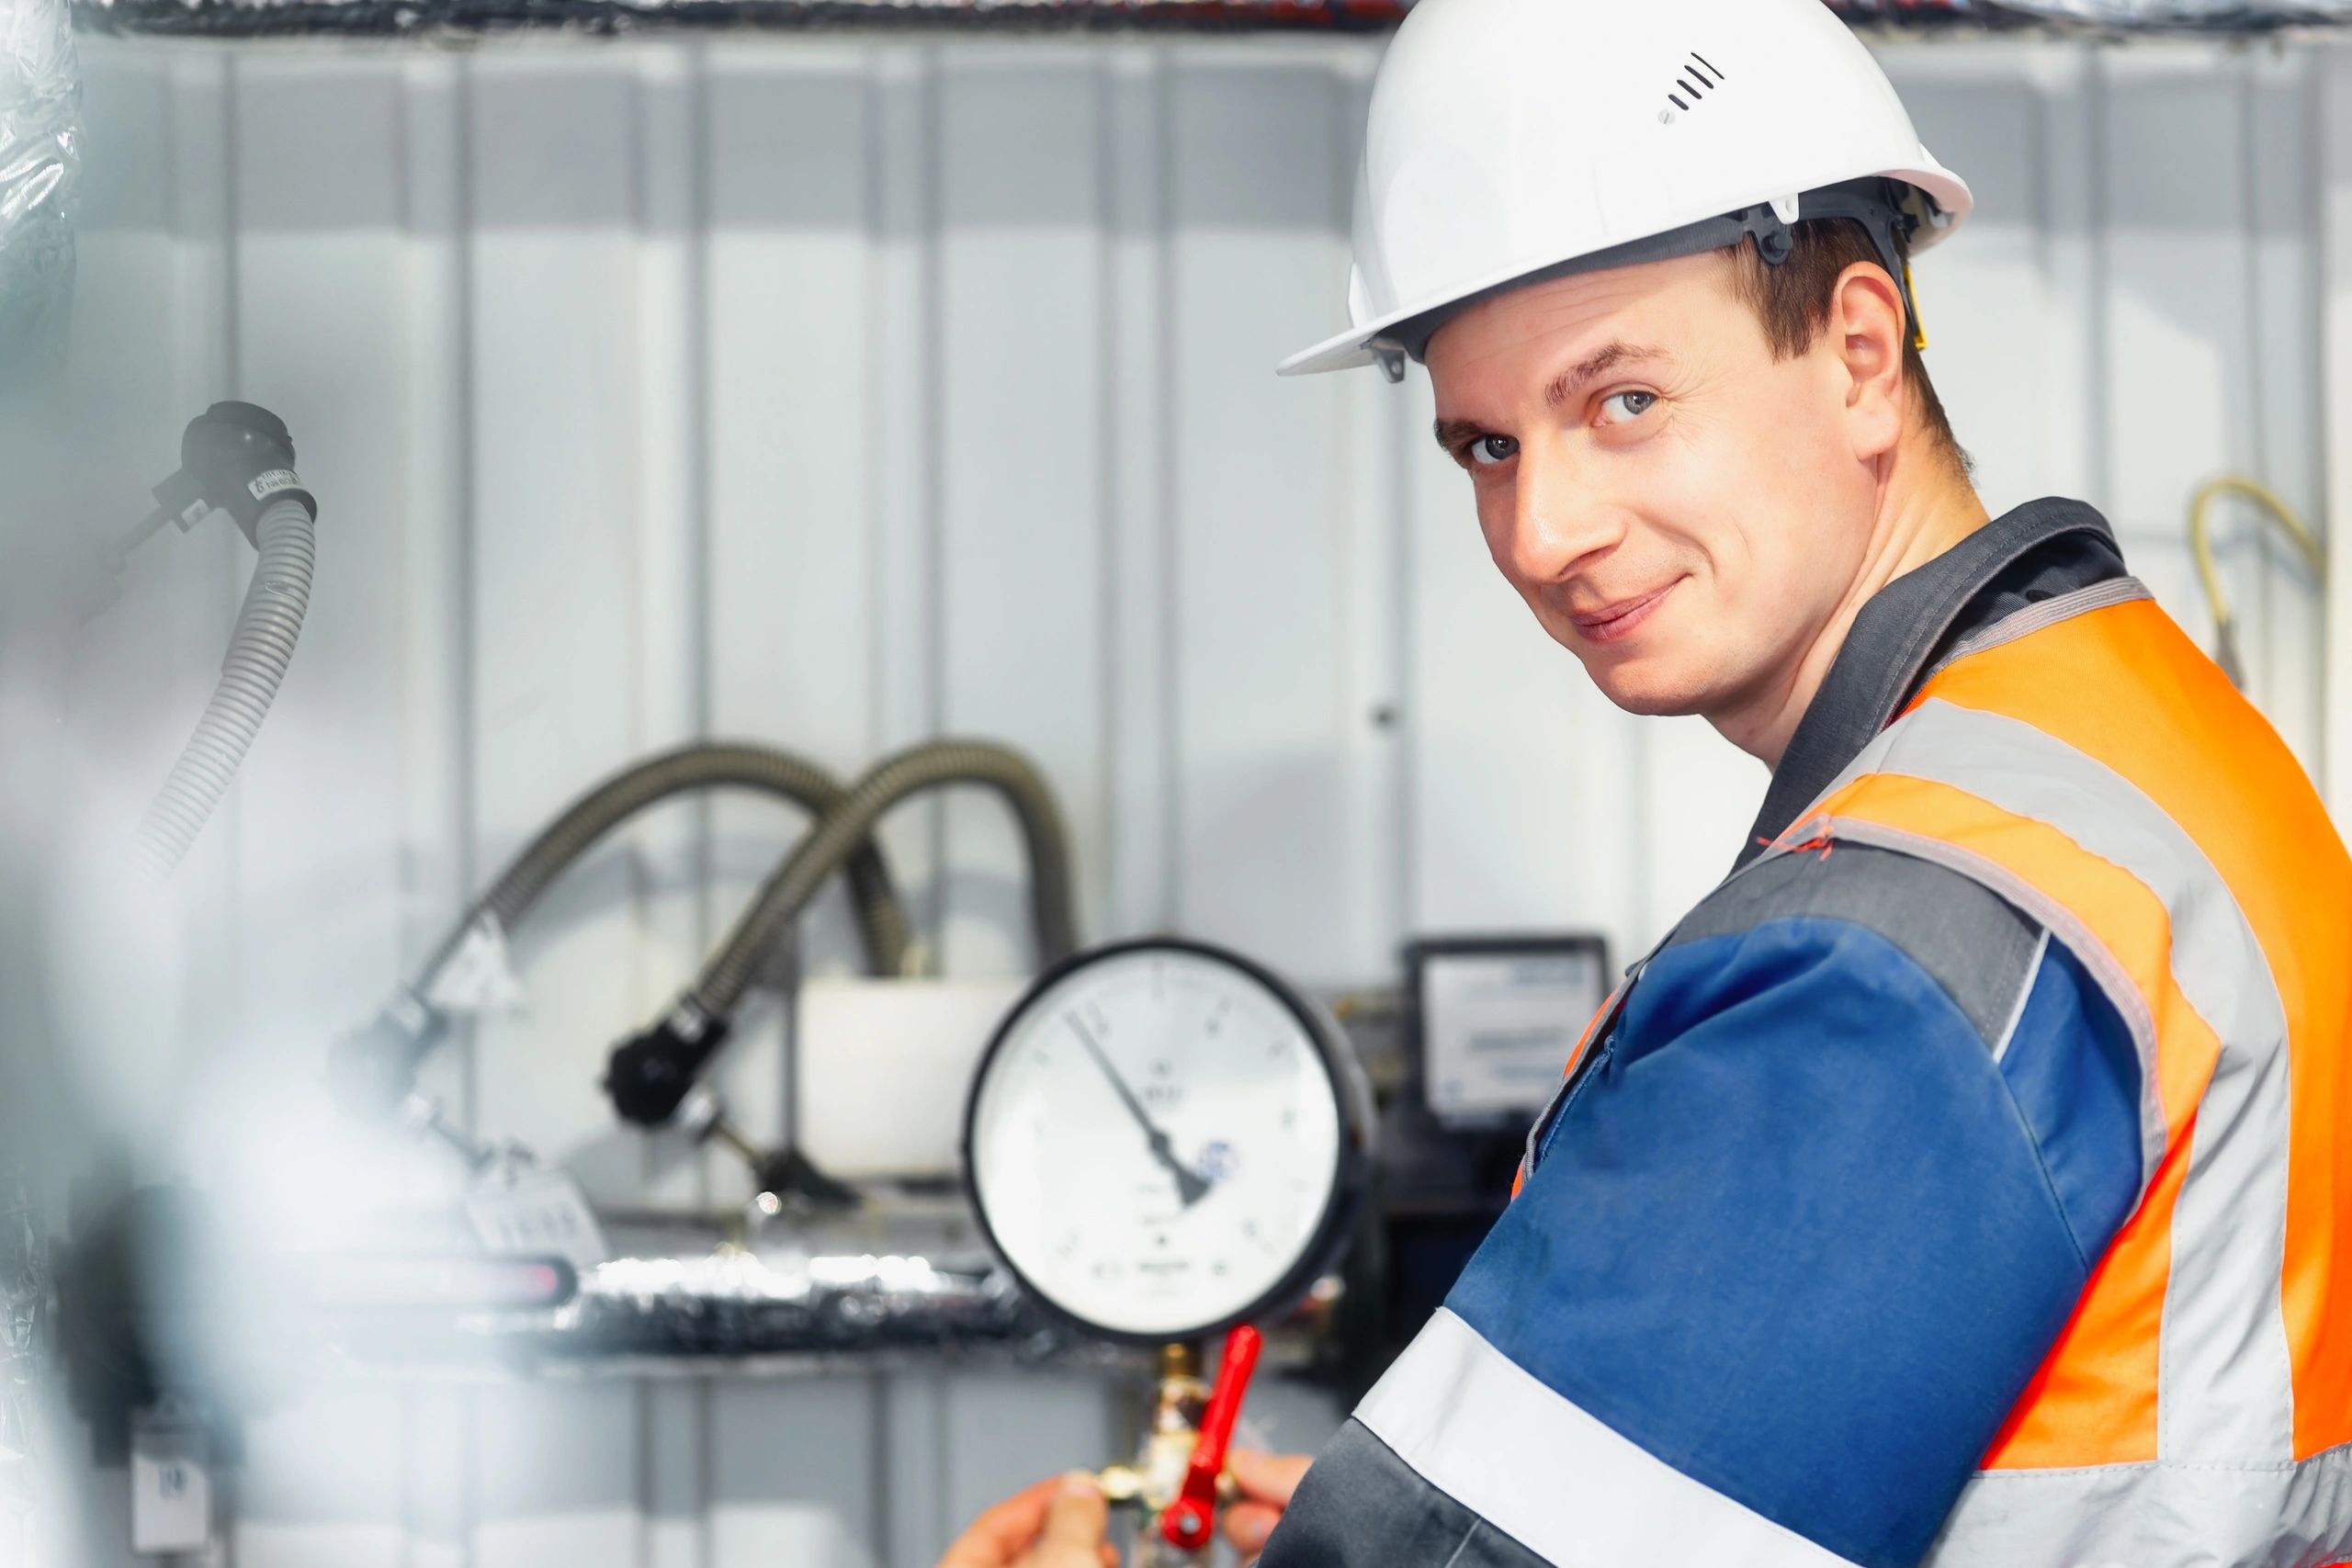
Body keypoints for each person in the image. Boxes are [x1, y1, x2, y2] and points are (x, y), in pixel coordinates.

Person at [944, 0, 2352, 1562]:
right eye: (1485, 445)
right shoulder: (2138, 730)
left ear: (1862, 357)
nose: (1543, 532)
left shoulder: (1889, 952)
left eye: (1625, 402)